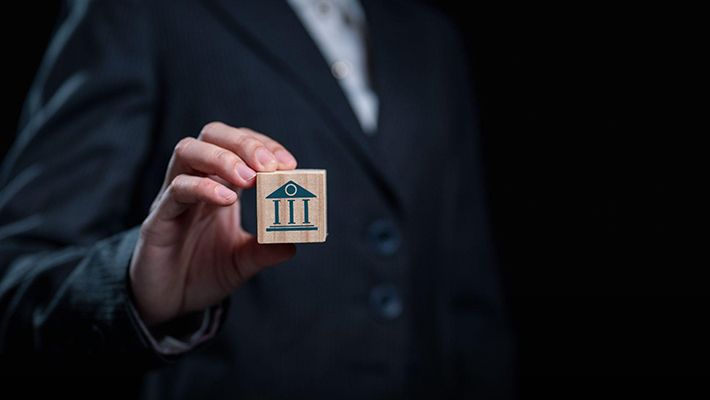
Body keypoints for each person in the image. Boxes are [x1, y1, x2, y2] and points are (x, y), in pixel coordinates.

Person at [0, 0, 513, 398]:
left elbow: (469, 298)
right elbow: (14, 278)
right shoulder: (141, 9)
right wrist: (136, 290)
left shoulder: (431, 38)